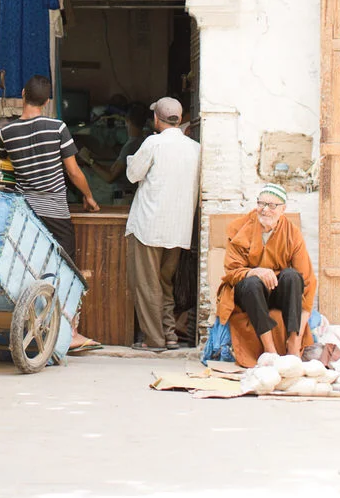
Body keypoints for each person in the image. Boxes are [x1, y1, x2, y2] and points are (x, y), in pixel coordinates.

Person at [0, 75, 100, 353]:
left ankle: (28, 326)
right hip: (55, 211)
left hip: (26, 213)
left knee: (28, 270)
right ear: (47, 101)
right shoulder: (57, 128)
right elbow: (74, 171)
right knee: (65, 272)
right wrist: (89, 197)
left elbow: (4, 164)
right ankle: (72, 332)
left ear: (22, 94)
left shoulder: (6, 133)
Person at [124, 97, 201, 351]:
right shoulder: (194, 148)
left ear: (157, 118)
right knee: (165, 283)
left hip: (149, 226)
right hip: (178, 229)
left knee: (146, 284)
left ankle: (153, 340)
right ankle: (169, 335)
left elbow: (133, 175)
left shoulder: (153, 143)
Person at [215, 184, 316, 367]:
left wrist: (299, 335)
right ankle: (270, 351)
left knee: (292, 277)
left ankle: (293, 344)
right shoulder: (239, 228)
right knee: (253, 283)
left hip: (275, 291)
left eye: (272, 206)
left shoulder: (292, 233)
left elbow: (307, 281)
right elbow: (231, 271)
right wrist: (256, 271)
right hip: (248, 292)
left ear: (283, 209)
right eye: (261, 204)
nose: (265, 210)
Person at [79, 104, 151, 200]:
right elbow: (114, 169)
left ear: (127, 121)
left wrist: (90, 161)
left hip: (125, 197)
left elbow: (110, 177)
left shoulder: (130, 146)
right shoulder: (143, 142)